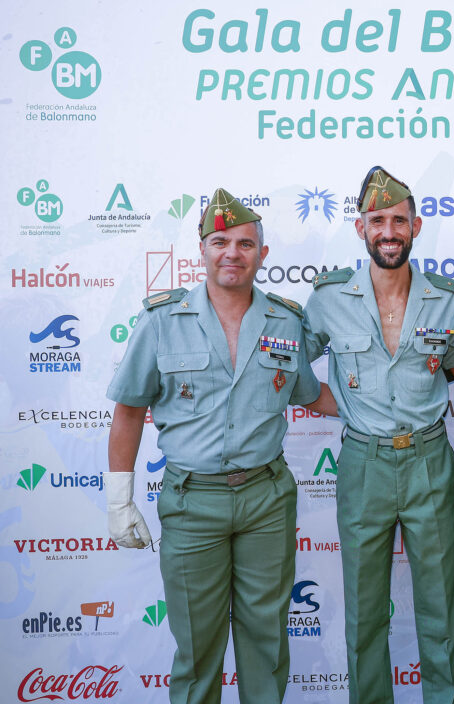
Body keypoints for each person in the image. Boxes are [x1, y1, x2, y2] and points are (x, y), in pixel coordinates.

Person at [105, 188, 328, 704]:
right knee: (198, 651)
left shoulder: (286, 321)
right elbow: (129, 411)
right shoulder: (162, 320)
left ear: (262, 255)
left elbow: (313, 396)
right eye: (221, 241)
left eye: (246, 243)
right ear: (202, 250)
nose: (233, 252)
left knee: (267, 644)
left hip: (267, 500)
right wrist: (119, 500)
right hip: (192, 502)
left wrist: (388, 407)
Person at [303, 166, 454, 704]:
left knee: (441, 605)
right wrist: (346, 408)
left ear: (416, 226)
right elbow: (285, 369)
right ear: (360, 228)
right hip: (363, 465)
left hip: (428, 460)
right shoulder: (329, 296)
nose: (389, 230)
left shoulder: (447, 298)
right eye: (378, 220)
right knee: (365, 608)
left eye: (399, 220)